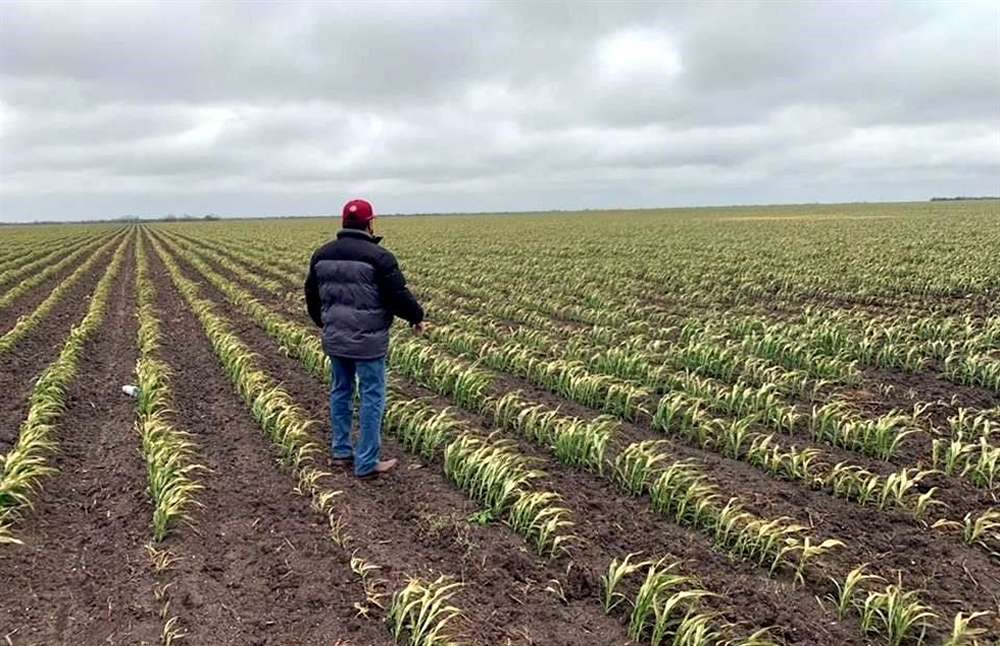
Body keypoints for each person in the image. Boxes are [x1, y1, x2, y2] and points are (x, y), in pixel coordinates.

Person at [304, 199, 424, 479]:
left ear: (343, 222)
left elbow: (311, 294)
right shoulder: (379, 256)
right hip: (368, 342)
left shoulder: (322, 255)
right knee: (372, 396)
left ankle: (341, 452)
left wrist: (323, 322)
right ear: (370, 223)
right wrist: (416, 316)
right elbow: (398, 295)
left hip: (336, 337)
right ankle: (367, 462)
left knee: (340, 391)